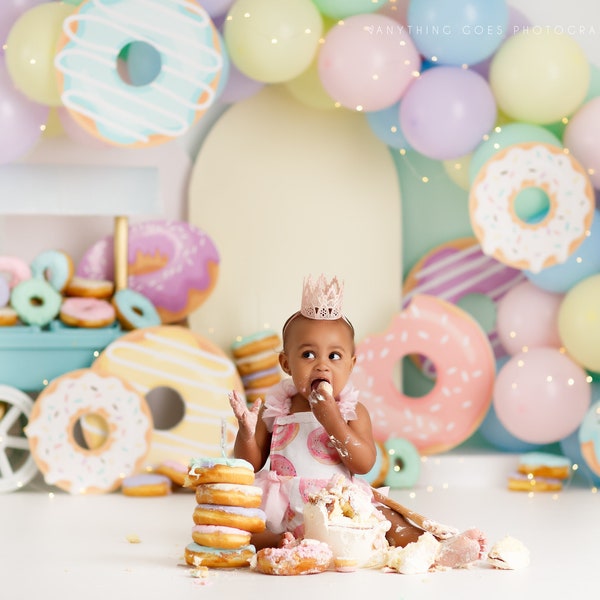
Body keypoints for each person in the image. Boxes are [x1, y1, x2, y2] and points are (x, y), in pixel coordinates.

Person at [229, 274, 423, 549]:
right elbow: (250, 464)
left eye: (334, 356)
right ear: (286, 363)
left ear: (351, 364)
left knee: (385, 514)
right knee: (237, 518)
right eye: (308, 355)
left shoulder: (352, 412)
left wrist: (333, 421)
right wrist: (247, 434)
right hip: (284, 504)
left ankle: (411, 537)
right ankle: (274, 540)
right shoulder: (276, 409)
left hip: (336, 505)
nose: (322, 366)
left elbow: (364, 464)